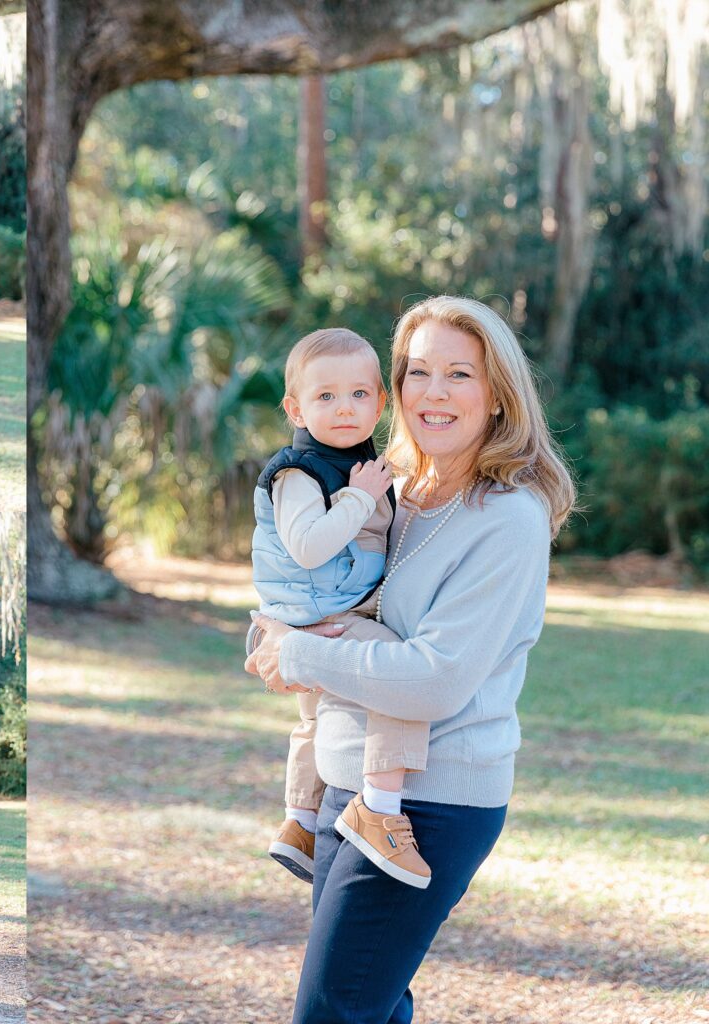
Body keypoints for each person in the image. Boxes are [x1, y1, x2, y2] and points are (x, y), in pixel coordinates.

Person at [246, 295, 576, 1024]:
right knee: (372, 1004)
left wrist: (298, 652)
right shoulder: (391, 488)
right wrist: (279, 633)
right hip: (344, 783)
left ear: (496, 397)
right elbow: (317, 592)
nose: (434, 391)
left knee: (334, 1011)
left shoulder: (509, 518)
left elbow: (435, 678)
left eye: (460, 373)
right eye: (418, 372)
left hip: (432, 800)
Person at [251, 328, 434, 890]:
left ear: (381, 402)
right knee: (401, 678)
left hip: (321, 610)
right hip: (316, 616)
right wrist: (358, 497)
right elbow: (307, 545)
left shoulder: (356, 459)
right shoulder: (299, 471)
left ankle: (301, 822)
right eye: (325, 396)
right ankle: (378, 807)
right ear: (295, 408)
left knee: (312, 723)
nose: (343, 408)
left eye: (358, 395)